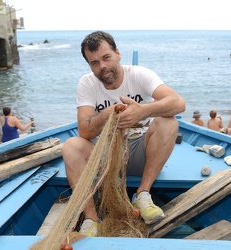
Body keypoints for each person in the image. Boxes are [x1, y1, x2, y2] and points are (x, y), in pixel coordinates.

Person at [62, 31, 186, 236]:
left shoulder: (139, 74)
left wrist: (143, 110)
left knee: (168, 122)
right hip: (105, 160)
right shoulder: (87, 83)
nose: (102, 66)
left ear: (118, 53)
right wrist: (108, 114)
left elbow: (178, 103)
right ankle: (91, 219)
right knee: (71, 146)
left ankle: (143, 193)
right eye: (94, 63)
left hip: (139, 153)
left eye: (106, 57)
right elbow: (84, 130)